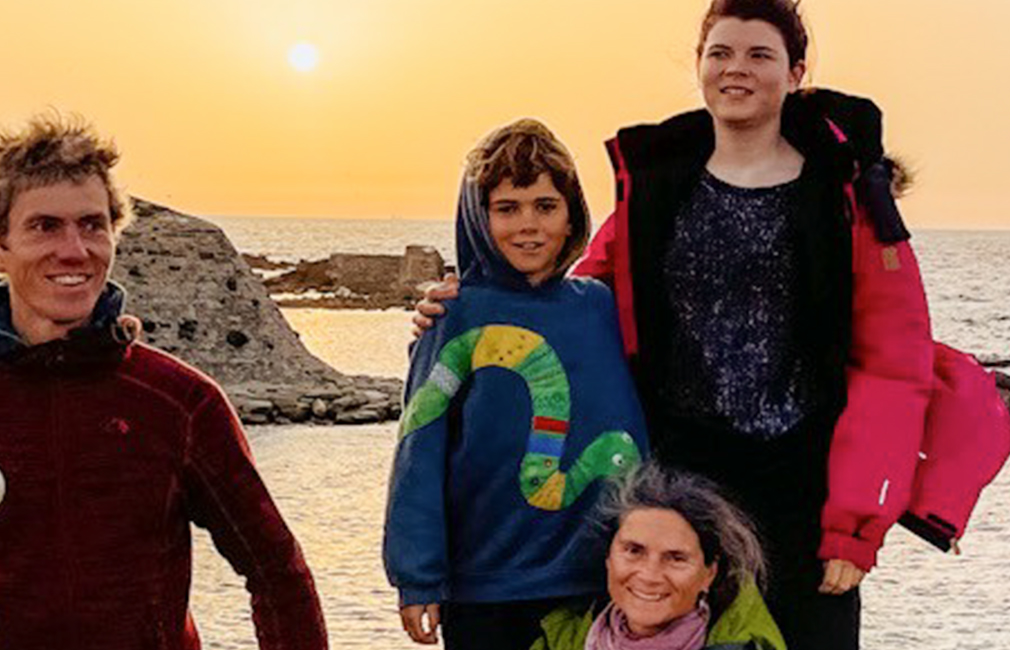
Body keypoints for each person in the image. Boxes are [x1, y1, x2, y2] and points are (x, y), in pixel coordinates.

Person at [414, 1, 935, 646]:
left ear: (795, 73)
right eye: (720, 53)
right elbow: (564, 297)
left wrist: (856, 525)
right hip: (675, 480)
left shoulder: (847, 199)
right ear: (699, 66)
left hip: (802, 486)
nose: (736, 69)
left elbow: (894, 366)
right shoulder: (660, 186)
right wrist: (466, 309)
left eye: (759, 55)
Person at [0, 114, 328, 650]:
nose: (75, 249)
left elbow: (276, 572)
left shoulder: (181, 402)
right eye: (44, 226)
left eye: (92, 225)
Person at [385, 119, 650, 650]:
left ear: (571, 212)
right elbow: (419, 450)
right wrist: (417, 575)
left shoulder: (600, 306)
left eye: (545, 206)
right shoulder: (454, 316)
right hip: (486, 587)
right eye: (508, 208)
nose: (529, 225)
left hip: (597, 583)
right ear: (479, 219)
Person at [529, 463, 785, 650]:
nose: (650, 575)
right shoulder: (560, 640)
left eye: (676, 558)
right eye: (633, 550)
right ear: (608, 559)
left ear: (709, 573)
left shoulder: (744, 645)